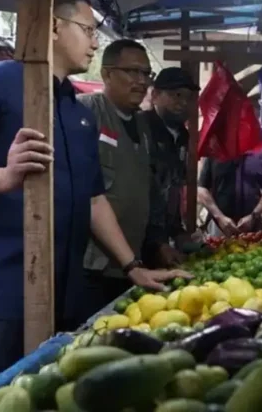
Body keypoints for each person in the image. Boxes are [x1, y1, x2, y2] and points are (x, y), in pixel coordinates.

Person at [0, 0, 187, 391]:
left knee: (46, 394)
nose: (95, 42)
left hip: (63, 292)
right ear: (54, 26)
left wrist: (132, 266)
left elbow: (93, 199)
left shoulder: (77, 111)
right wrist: (3, 178)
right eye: (89, 29)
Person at [77, 39, 176, 318]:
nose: (141, 81)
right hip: (90, 266)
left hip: (129, 263)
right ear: (106, 73)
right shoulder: (86, 111)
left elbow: (149, 189)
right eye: (132, 72)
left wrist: (158, 242)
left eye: (146, 74)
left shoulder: (143, 125)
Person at [140, 67, 199, 268]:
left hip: (161, 240)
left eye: (188, 97)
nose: (183, 103)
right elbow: (144, 192)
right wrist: (158, 242)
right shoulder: (141, 129)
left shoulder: (182, 137)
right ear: (155, 95)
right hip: (137, 240)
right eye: (176, 95)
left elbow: (173, 189)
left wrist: (177, 231)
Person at [198, 149, 262, 237]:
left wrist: (253, 216)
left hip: (252, 228)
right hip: (218, 226)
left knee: (254, 250)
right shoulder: (214, 153)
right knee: (216, 250)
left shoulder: (260, 155)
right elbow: (202, 188)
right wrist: (219, 217)